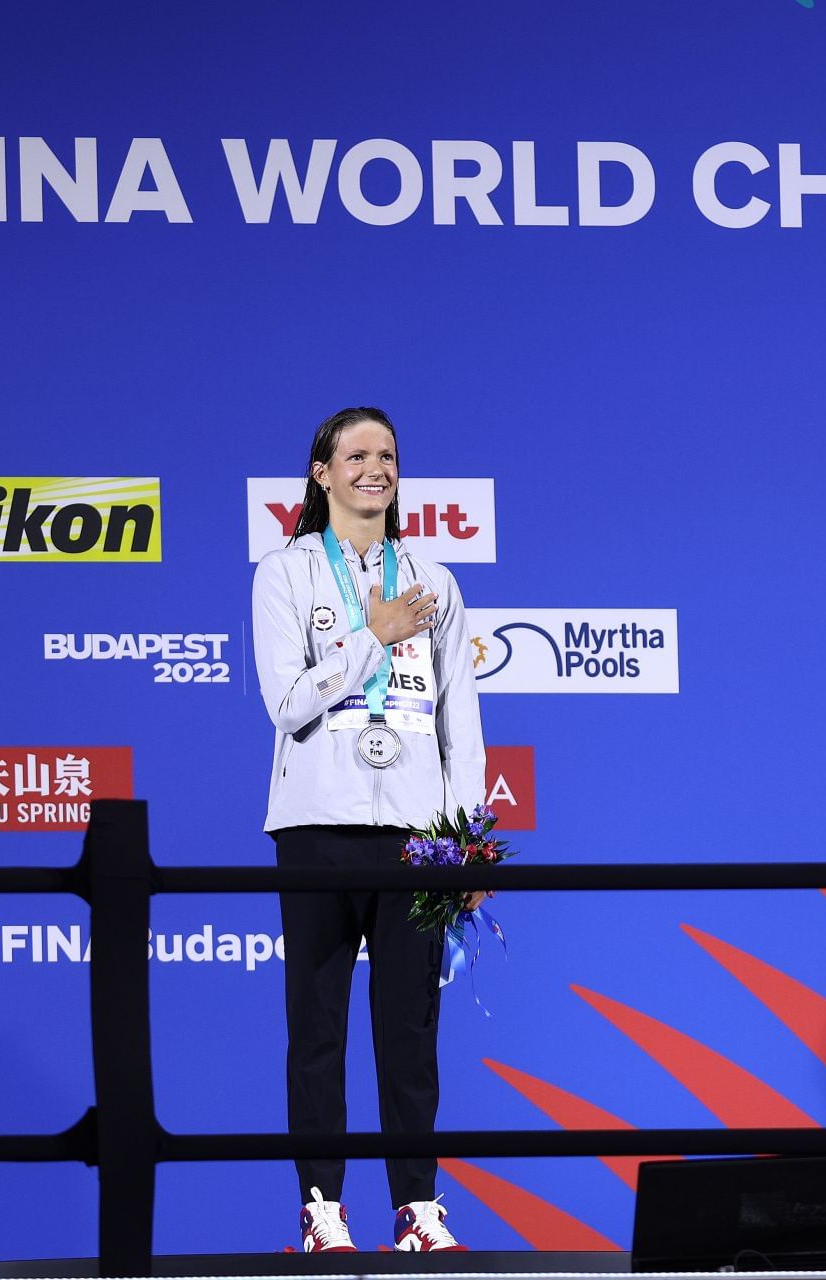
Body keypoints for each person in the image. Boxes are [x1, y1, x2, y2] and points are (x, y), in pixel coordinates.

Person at [252, 407, 485, 1251]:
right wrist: (369, 637)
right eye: (356, 455)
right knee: (316, 1029)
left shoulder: (437, 580)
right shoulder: (284, 574)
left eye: (386, 455)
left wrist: (463, 839)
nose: (374, 469)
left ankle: (418, 1209)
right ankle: (322, 1212)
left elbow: (462, 717)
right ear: (321, 473)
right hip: (315, 828)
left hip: (415, 834)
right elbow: (286, 703)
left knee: (410, 1029)